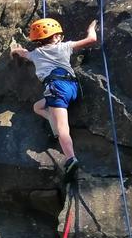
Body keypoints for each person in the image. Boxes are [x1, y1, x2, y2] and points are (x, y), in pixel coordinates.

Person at [11, 18, 98, 178]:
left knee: (62, 128)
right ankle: (52, 117)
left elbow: (24, 54)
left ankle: (71, 158)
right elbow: (92, 39)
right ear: (56, 36)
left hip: (56, 89)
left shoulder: (36, 54)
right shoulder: (65, 46)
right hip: (72, 88)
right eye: (59, 35)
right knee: (37, 107)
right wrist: (91, 27)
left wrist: (15, 50)